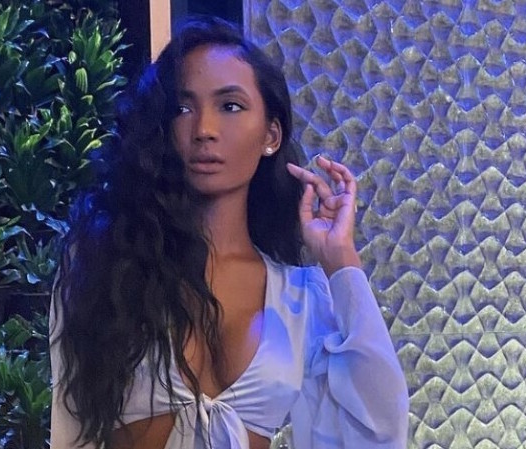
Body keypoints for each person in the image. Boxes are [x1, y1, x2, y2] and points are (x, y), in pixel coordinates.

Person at [50, 15, 409, 449]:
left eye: (230, 106)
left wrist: (340, 258)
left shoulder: (301, 297)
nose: (204, 130)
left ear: (271, 135)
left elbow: (379, 429)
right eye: (183, 108)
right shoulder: (105, 264)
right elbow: (71, 427)